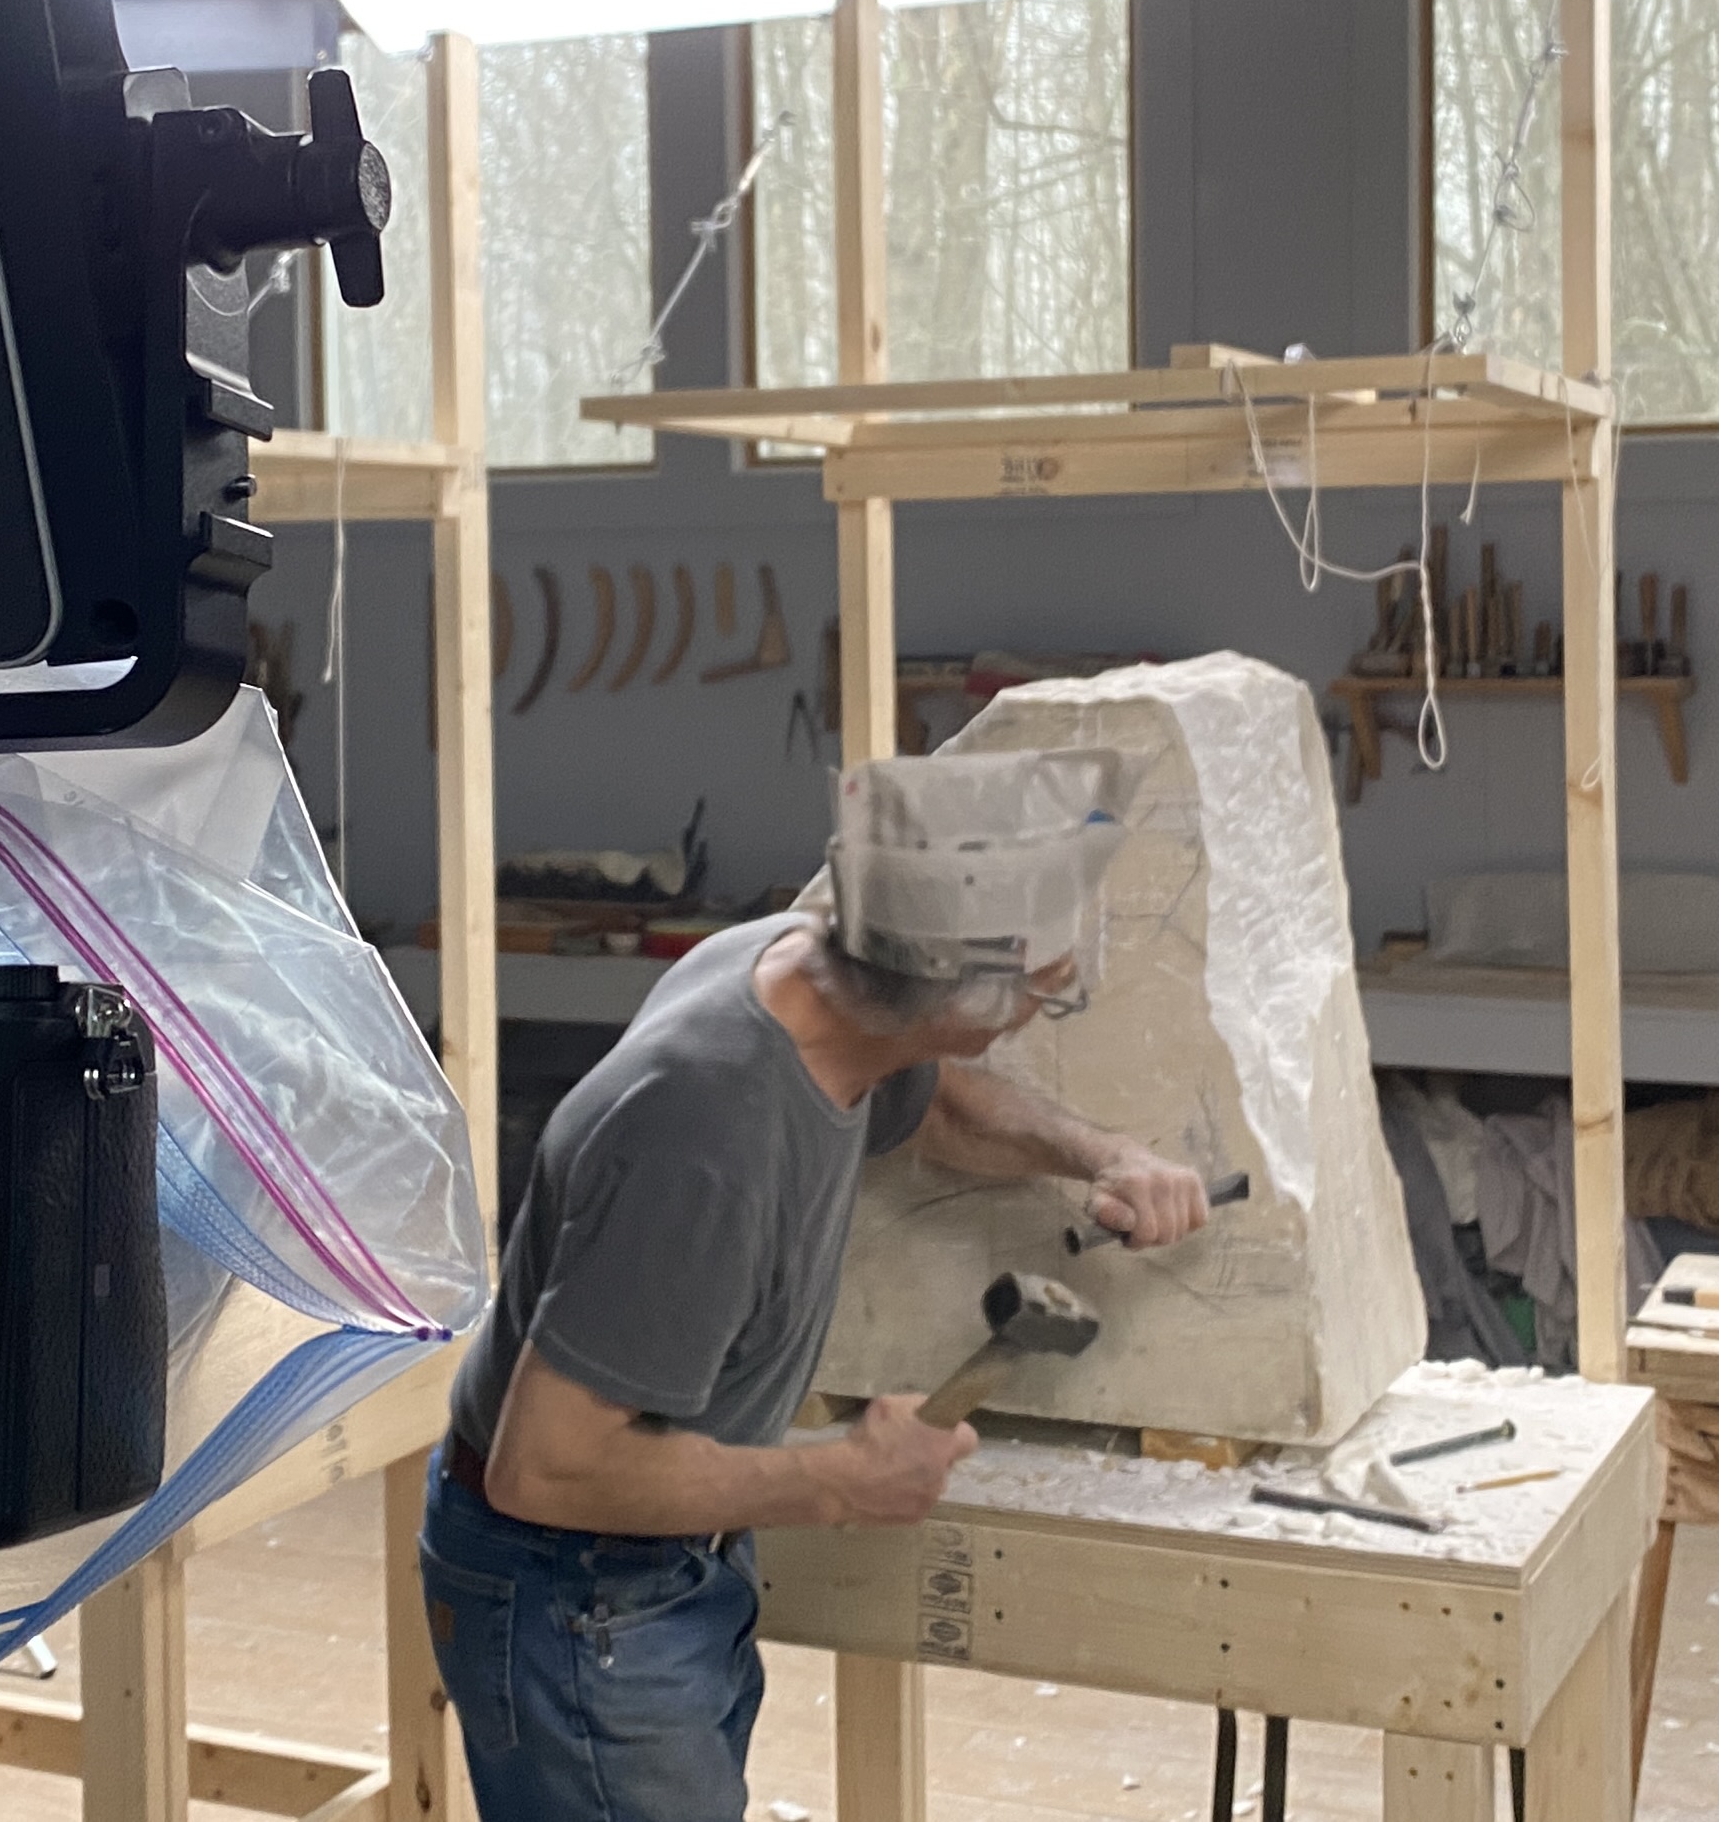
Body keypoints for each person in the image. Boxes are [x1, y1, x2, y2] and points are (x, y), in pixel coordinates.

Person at [423, 746, 1208, 1822]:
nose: (1040, 1007)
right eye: (1043, 992)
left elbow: (932, 1099)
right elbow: (544, 1468)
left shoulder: (801, 976)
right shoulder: (704, 1136)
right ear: (966, 1006)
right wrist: (837, 1480)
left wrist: (1101, 1154)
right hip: (576, 1587)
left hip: (647, 1566)